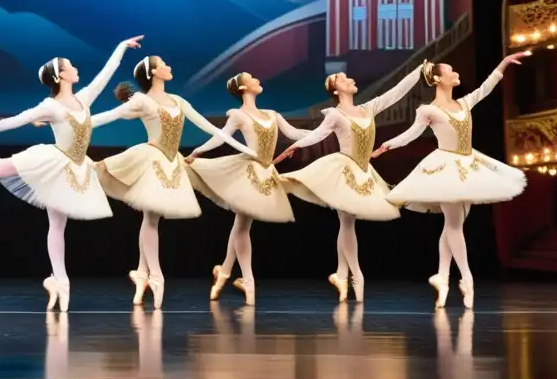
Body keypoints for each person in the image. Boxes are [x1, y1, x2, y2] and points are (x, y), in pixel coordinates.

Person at [0, 37, 144, 312]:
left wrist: (121, 48)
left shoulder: (83, 99)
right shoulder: (50, 107)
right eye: (70, 66)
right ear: (61, 75)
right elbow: (14, 120)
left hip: (75, 168)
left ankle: (60, 281)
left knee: (58, 225)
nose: (75, 68)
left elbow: (104, 76)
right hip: (55, 161)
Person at [90, 55, 259, 309]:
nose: (169, 66)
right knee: (150, 218)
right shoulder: (142, 100)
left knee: (152, 218)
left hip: (172, 163)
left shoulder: (178, 101)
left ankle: (141, 273)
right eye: (163, 64)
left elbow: (211, 128)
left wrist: (244, 148)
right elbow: (109, 116)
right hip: (152, 159)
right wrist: (74, 123)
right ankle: (156, 276)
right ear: (154, 72)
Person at [371, 53, 530, 309]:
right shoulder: (429, 110)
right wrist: (385, 147)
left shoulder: (464, 103)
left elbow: (486, 88)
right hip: (445, 168)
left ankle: (442, 278)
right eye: (451, 71)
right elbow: (411, 134)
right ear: (437, 79)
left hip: (468, 164)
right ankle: (467, 279)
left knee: (452, 225)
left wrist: (503, 63)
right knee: (455, 226)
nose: (456, 73)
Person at [274, 63, 426, 303]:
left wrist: (418, 72)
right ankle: (357, 275)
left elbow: (396, 92)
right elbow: (316, 136)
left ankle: (341, 274)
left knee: (347, 223)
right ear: (336, 90)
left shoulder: (368, 108)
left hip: (365, 173)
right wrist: (294, 145)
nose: (349, 79)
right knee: (347, 222)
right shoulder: (335, 114)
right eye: (343, 79)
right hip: (344, 171)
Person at [184, 72, 311, 306]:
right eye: (252, 78)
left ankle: (224, 272)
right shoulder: (238, 115)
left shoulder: (272, 115)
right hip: (248, 172)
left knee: (241, 225)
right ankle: (248, 281)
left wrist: (320, 133)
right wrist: (196, 152)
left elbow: (294, 134)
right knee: (242, 225)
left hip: (265, 174)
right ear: (243, 87)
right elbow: (221, 138)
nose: (257, 79)